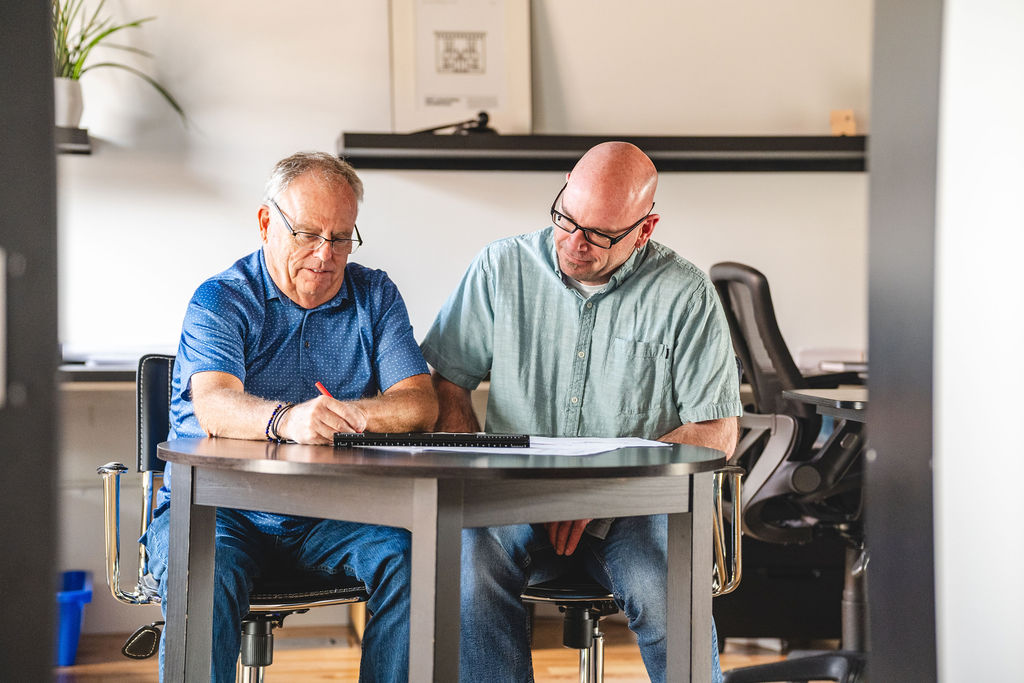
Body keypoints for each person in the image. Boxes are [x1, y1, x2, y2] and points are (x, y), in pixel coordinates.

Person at [421, 141, 742, 682]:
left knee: (668, 592)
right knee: (464, 568)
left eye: (599, 234)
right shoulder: (502, 267)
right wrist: (477, 472)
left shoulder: (685, 294)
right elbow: (447, 383)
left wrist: (596, 492)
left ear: (644, 228)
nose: (574, 243)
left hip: (633, 508)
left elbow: (716, 431)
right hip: (511, 495)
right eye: (567, 218)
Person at [142, 151, 438, 682]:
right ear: (265, 223)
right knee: (204, 572)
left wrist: (351, 415)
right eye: (307, 234)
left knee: (416, 560)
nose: (326, 255)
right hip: (220, 508)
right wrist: (289, 421)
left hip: (329, 513)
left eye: (342, 237)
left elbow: (419, 403)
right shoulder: (221, 300)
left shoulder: (375, 296)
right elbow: (213, 404)